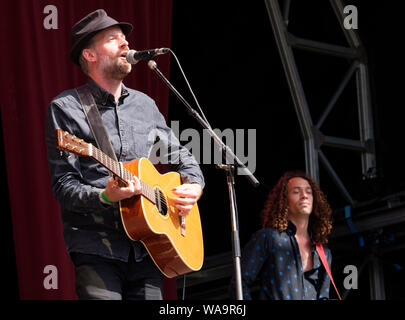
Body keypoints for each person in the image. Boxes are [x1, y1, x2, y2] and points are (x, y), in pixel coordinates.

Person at [45, 9, 204, 300]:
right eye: (112, 39)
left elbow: (184, 157)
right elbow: (63, 186)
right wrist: (105, 197)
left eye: (124, 38)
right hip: (96, 247)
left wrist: (194, 184)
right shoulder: (66, 108)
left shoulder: (145, 105)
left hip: (150, 249)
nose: (125, 44)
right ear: (90, 55)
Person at [230, 171, 333, 300]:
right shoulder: (268, 238)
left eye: (309, 191)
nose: (304, 196)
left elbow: (324, 296)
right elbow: (239, 284)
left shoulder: (323, 252)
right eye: (296, 192)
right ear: (284, 201)